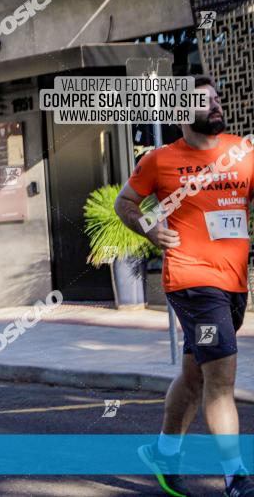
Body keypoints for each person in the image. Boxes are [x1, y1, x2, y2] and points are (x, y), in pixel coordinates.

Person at [116, 76, 254, 497]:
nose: (216, 106)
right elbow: (125, 201)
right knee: (221, 378)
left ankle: (163, 451)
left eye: (216, 99)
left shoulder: (242, 152)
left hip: (233, 281)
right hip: (192, 282)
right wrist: (150, 229)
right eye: (204, 102)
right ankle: (236, 477)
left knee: (195, 376)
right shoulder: (160, 160)